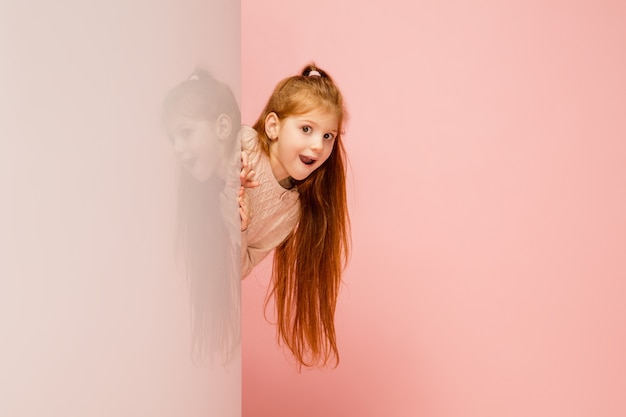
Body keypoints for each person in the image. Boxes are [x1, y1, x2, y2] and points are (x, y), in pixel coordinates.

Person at [240, 64, 351, 368]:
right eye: (307, 129)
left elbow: (240, 267)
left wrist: (238, 229)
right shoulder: (244, 144)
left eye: (329, 135)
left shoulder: (290, 212)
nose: (319, 145)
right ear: (273, 127)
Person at [163, 68, 242, 364]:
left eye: (186, 133)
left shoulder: (253, 169)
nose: (179, 149)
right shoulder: (223, 199)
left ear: (223, 127)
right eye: (173, 139)